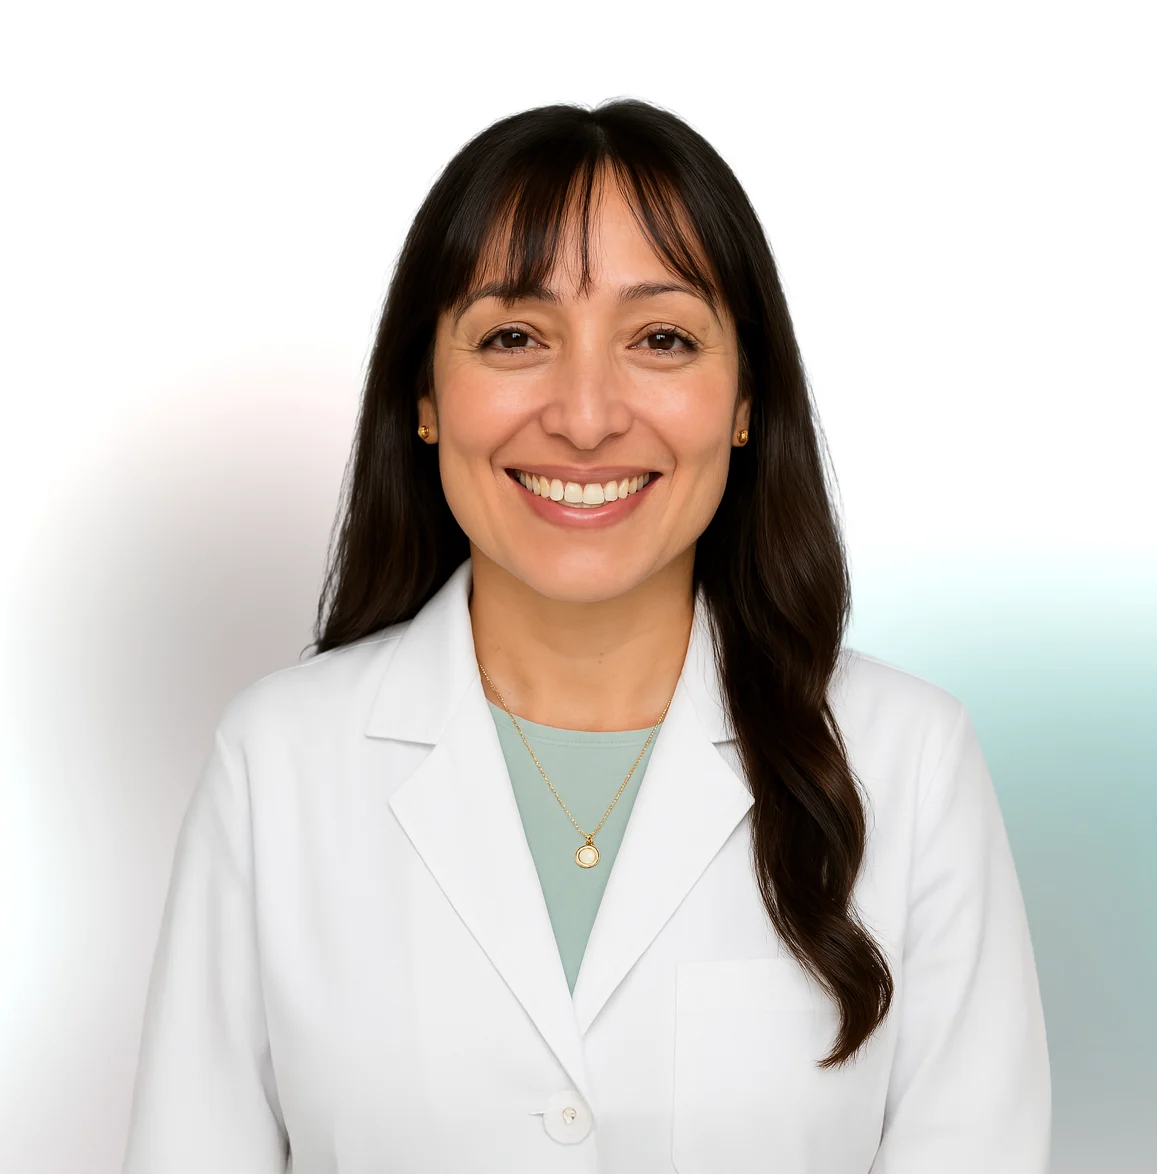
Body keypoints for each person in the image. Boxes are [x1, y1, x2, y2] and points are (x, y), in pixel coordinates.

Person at [121, 99, 1051, 1173]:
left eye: (661, 338)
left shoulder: (908, 761)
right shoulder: (277, 765)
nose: (585, 412)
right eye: (514, 336)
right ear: (425, 393)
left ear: (745, 398)